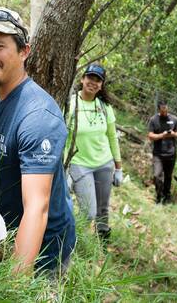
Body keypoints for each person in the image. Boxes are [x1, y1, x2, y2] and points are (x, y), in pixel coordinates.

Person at [0, 8, 75, 275]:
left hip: (42, 251)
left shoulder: (38, 117)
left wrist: (15, 281)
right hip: (6, 229)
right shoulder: (0, 99)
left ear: (24, 51)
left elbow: (38, 207)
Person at [65, 63, 122, 241]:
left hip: (104, 164)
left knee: (103, 209)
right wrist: (64, 169)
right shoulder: (71, 103)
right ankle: (75, 241)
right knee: (88, 212)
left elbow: (112, 137)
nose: (93, 82)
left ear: (101, 85)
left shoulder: (104, 107)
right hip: (80, 164)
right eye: (90, 77)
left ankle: (102, 240)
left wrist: (118, 168)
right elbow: (63, 137)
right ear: (83, 79)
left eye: (98, 80)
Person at [147, 100, 177, 204]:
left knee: (168, 176)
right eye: (162, 110)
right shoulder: (153, 119)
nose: (165, 112)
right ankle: (158, 196)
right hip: (158, 154)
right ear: (159, 109)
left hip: (171, 153)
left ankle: (167, 197)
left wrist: (173, 134)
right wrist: (162, 135)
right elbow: (150, 136)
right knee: (157, 176)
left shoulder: (174, 119)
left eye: (166, 109)